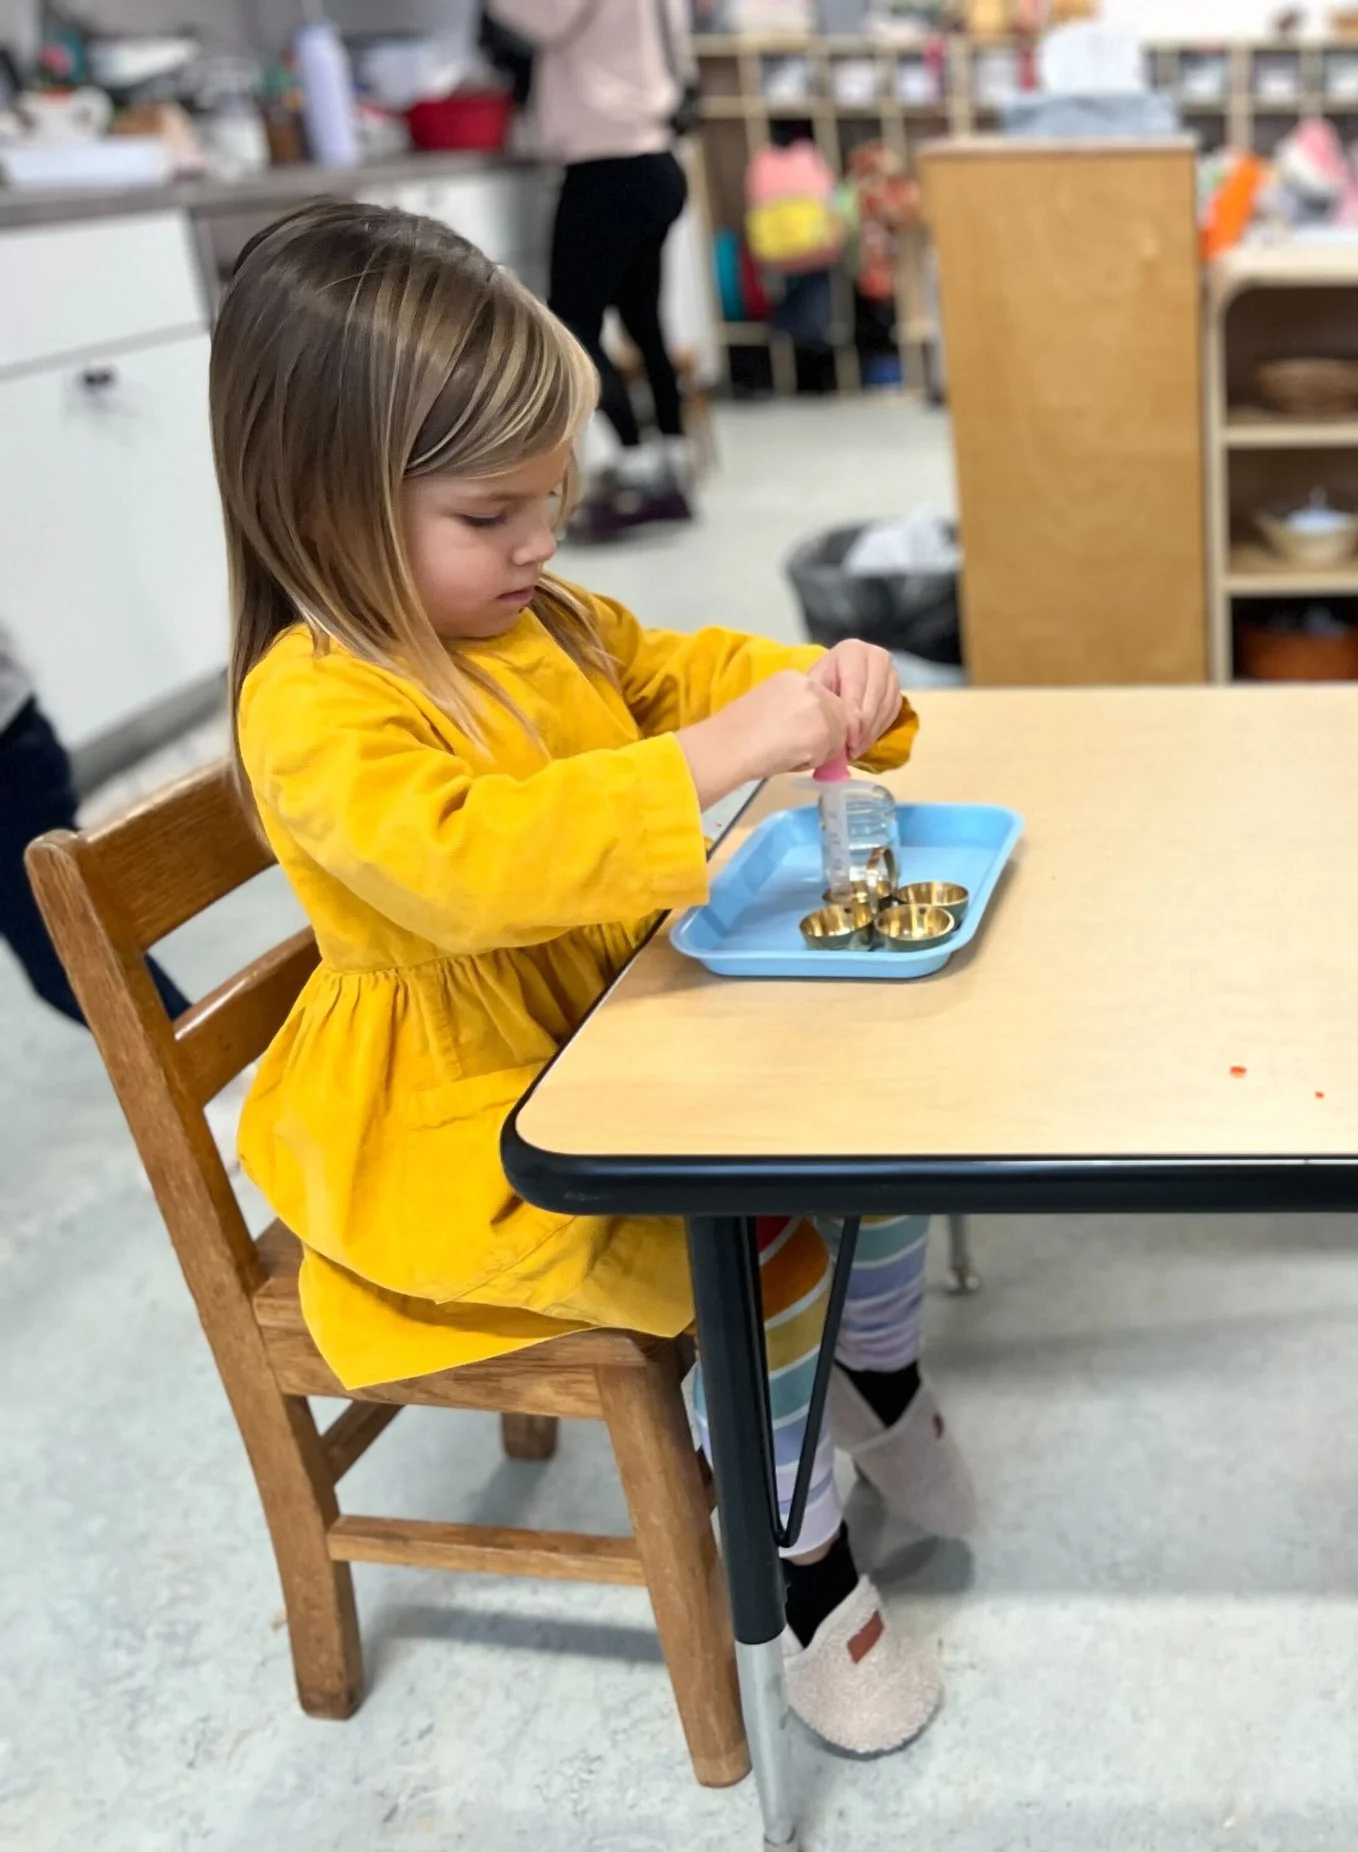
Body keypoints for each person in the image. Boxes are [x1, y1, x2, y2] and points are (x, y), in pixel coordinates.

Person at [211, 200, 973, 1755]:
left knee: (888, 1121)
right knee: (757, 1238)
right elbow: (474, 861)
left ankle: (879, 1374)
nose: (540, 543)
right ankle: (800, 1554)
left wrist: (812, 682)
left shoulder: (539, 613)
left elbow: (671, 666)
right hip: (466, 1118)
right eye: (492, 512)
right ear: (323, 503)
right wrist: (714, 756)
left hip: (609, 1025)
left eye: (550, 497)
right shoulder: (315, 704)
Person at [489, 0, 699, 540]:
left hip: (606, 170)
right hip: (657, 161)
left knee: (571, 329)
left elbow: (538, 19)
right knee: (643, 322)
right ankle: (673, 460)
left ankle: (636, 469)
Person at [0, 627, 185, 1026]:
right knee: (71, 961)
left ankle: (193, 1056)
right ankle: (189, 1052)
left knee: (73, 961)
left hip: (9, 759)